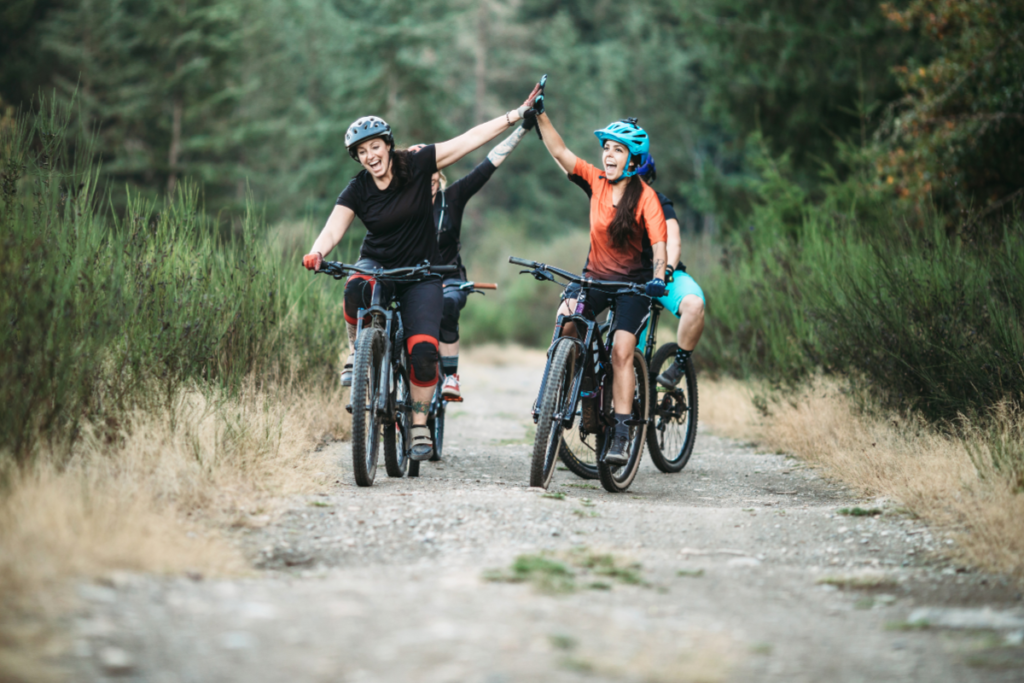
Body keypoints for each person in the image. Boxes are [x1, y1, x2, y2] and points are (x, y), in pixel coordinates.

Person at [302, 84, 541, 460]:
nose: (369, 157)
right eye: (361, 153)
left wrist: (515, 114)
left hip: (422, 272)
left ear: (387, 144)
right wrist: (317, 251)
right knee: (353, 288)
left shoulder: (417, 163)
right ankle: (356, 352)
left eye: (374, 147)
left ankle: (417, 423)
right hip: (378, 265)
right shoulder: (359, 189)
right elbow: (334, 227)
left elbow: (468, 140)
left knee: (425, 352)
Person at [533, 100, 668, 466]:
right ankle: (563, 391)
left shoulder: (647, 199)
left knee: (622, 350)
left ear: (633, 158)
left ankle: (622, 433)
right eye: (606, 148)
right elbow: (560, 152)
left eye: (617, 150)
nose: (608, 155)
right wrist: (540, 114)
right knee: (566, 318)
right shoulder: (595, 182)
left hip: (633, 288)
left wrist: (658, 279)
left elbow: (659, 247)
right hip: (593, 279)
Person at [410, 124, 532, 401]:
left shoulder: (452, 197)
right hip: (412, 278)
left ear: (440, 171)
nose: (428, 176)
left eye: (433, 168)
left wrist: (522, 128)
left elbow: (490, 163)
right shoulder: (401, 203)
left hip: (449, 277)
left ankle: (451, 375)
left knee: (449, 304)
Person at [633, 155, 706, 387]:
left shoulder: (660, 203)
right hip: (628, 279)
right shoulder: (608, 201)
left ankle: (679, 366)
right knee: (626, 353)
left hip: (664, 274)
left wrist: (665, 273)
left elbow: (673, 243)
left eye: (641, 177)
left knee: (694, 305)